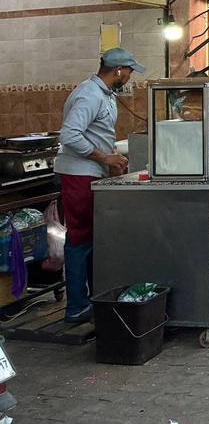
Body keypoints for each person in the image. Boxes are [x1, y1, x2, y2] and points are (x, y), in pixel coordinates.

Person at [55, 48, 145, 323]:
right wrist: (105, 158)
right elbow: (70, 135)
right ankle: (76, 307)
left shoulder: (105, 94)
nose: (130, 76)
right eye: (129, 71)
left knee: (94, 239)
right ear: (118, 70)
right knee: (79, 239)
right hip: (78, 175)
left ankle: (95, 299)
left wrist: (111, 161)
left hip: (94, 173)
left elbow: (97, 134)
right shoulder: (89, 94)